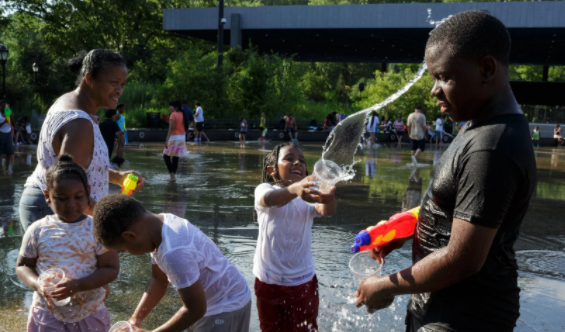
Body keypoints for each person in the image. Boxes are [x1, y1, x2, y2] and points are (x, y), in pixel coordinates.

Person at [354, 11, 537, 332]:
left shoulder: (491, 147)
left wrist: (386, 285)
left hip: (462, 317)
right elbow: (456, 206)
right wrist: (406, 228)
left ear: (486, 69)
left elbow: (463, 259)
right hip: (442, 308)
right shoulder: (478, 127)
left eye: (444, 77)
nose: (433, 90)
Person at [20, 49, 145, 231]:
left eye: (122, 84)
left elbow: (78, 167)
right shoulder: (79, 122)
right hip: (56, 211)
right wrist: (109, 220)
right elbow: (68, 186)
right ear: (89, 79)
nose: (120, 90)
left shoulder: (71, 103)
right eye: (114, 83)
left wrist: (117, 177)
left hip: (51, 206)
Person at [92, 194, 252, 332]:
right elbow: (159, 280)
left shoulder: (174, 252)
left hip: (226, 306)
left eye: (124, 249)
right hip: (208, 301)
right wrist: (135, 319)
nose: (127, 253)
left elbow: (195, 309)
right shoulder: (157, 227)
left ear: (131, 236)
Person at [15, 155, 119, 332]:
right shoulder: (37, 230)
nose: (71, 204)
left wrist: (79, 285)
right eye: (61, 198)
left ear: (88, 191)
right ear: (47, 196)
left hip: (89, 312)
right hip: (47, 313)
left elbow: (111, 269)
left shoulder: (97, 229)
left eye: (78, 196)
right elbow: (23, 266)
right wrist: (37, 284)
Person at [253, 142, 337, 332]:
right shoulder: (265, 189)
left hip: (303, 282)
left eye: (301, 161)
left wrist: (329, 198)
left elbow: (326, 211)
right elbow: (269, 200)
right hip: (268, 282)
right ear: (272, 170)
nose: (298, 163)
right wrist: (296, 189)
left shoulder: (307, 195)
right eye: (289, 159)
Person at [163, 100, 188, 181]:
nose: (170, 107)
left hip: (174, 138)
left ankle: (172, 176)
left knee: (166, 156)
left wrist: (166, 140)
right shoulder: (182, 114)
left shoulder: (173, 115)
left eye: (171, 106)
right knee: (175, 157)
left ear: (176, 107)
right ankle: (173, 176)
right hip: (182, 138)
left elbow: (171, 128)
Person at [0, 100, 14, 174]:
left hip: (8, 133)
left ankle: (7, 168)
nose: (4, 107)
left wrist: (11, 117)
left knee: (9, 152)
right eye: (2, 106)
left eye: (5, 106)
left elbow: (13, 124)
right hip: (0, 133)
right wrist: (4, 122)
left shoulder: (8, 113)